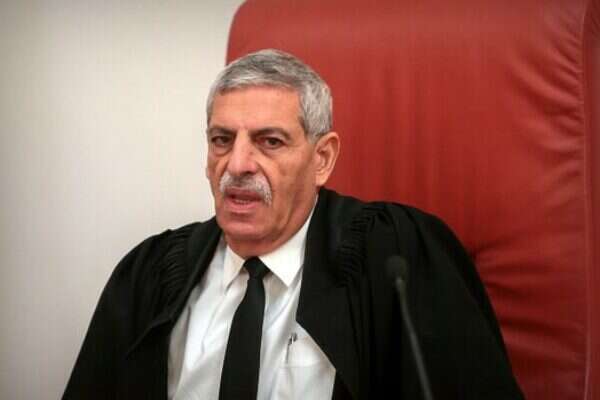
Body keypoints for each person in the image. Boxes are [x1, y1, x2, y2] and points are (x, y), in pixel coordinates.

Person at [63, 49, 524, 400]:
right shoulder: (147, 276)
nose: (237, 165)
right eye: (222, 140)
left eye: (270, 142)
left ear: (322, 159)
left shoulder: (395, 256)